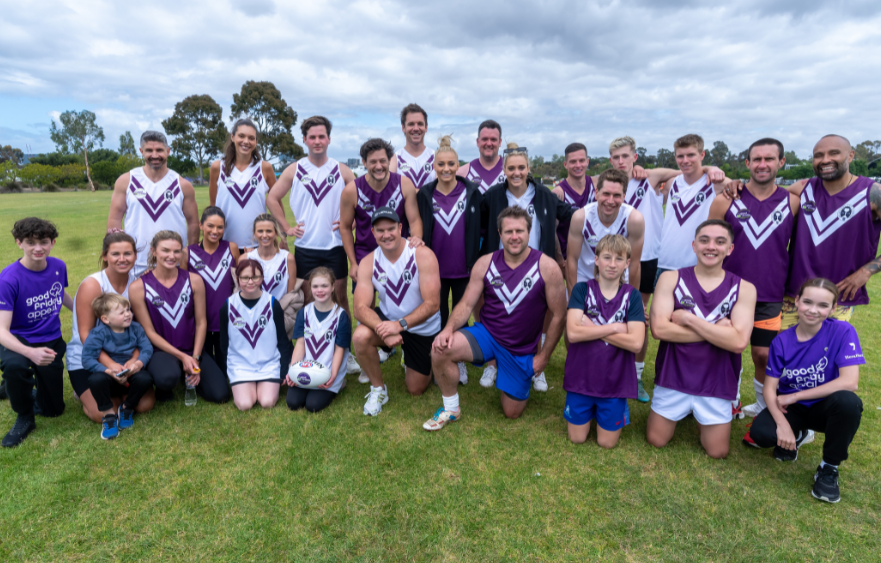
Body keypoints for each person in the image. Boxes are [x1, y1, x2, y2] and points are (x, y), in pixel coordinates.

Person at [427, 207, 567, 430]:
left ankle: (508, 372)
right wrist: (448, 329)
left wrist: (544, 356)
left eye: (519, 231)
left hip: (520, 348)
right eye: (508, 231)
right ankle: (451, 408)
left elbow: (559, 315)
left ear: (529, 232)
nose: (514, 237)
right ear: (499, 234)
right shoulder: (486, 263)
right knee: (440, 349)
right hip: (487, 335)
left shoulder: (547, 267)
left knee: (511, 413)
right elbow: (465, 304)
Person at [608, 136, 726, 402]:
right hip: (623, 260)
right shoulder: (609, 183)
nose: (621, 161)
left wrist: (710, 169)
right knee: (628, 319)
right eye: (615, 157)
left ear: (635, 156)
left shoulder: (651, 178)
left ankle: (642, 377)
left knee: (654, 320)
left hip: (652, 260)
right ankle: (618, 373)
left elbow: (685, 171)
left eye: (625, 156)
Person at [747, 278, 864, 504]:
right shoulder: (781, 341)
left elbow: (850, 382)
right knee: (761, 433)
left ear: (832, 308)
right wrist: (783, 425)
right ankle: (797, 434)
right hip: (793, 409)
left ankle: (829, 468)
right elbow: (770, 390)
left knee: (848, 403)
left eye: (822, 305)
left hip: (825, 406)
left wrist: (795, 394)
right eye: (808, 302)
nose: (813, 310)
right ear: (797, 302)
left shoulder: (843, 331)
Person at [647, 220, 756, 459]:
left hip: (716, 380)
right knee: (656, 440)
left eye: (720, 241)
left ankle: (701, 415)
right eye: (704, 240)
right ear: (694, 245)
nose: (711, 247)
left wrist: (688, 319)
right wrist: (719, 330)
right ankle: (689, 413)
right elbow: (659, 330)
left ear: (730, 249)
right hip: (674, 375)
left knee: (717, 452)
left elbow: (738, 342)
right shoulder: (670, 278)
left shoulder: (744, 288)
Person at [709, 138, 799, 423]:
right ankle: (728, 401)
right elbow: (709, 245)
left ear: (781, 162)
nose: (762, 164)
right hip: (728, 291)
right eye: (756, 159)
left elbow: (797, 249)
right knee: (724, 349)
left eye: (769, 159)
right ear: (747, 163)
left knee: (763, 355)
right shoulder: (725, 199)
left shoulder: (792, 202)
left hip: (770, 293)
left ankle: (763, 406)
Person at [265, 116, 359, 375]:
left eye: (322, 136)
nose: (317, 141)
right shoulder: (294, 169)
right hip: (306, 247)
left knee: (340, 300)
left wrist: (350, 222)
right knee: (309, 303)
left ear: (329, 139)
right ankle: (309, 352)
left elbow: (360, 199)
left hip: (335, 246)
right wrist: (286, 227)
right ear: (304, 140)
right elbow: (273, 198)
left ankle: (346, 353)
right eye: (312, 137)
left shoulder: (342, 170)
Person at [479, 143, 574, 392]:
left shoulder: (544, 195)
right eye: (511, 168)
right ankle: (492, 364)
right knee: (493, 312)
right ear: (504, 169)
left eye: (521, 167)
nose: (517, 172)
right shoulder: (492, 196)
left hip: (537, 266)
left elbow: (573, 216)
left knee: (540, 316)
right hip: (501, 265)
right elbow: (477, 221)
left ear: (528, 168)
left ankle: (537, 367)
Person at [780, 134, 881, 327]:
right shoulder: (803, 188)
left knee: (823, 356)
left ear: (850, 156)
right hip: (793, 296)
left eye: (833, 153)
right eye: (818, 155)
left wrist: (866, 272)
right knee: (784, 354)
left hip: (838, 298)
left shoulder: (873, 193)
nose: (825, 160)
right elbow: (762, 201)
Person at [352, 207, 440, 416]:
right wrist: (386, 329)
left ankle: (412, 357)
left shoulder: (422, 254)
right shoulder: (368, 262)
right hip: (389, 320)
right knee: (361, 336)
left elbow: (433, 304)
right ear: (372, 233)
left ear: (401, 228)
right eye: (380, 230)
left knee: (416, 389)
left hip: (422, 327)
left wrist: (399, 326)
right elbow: (360, 308)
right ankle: (378, 389)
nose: (386, 235)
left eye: (391, 228)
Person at [129, 231, 230, 404]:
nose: (171, 256)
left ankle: (188, 373)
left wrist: (195, 358)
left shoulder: (194, 280)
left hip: (192, 350)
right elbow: (149, 332)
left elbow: (201, 323)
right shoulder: (138, 287)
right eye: (165, 250)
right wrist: (182, 357)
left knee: (220, 395)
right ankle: (175, 373)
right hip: (161, 351)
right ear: (154, 251)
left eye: (176, 251)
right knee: (166, 379)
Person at [563, 235, 645, 448]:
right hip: (581, 379)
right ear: (596, 260)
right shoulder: (582, 290)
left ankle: (605, 411)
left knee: (606, 443)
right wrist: (616, 327)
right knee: (577, 438)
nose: (612, 264)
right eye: (606, 257)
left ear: (627, 263)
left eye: (619, 259)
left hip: (615, 382)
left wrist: (591, 327)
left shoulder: (632, 296)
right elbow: (572, 333)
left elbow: (636, 343)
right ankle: (588, 411)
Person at [416, 135, 483, 385]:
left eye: (451, 164)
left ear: (458, 165)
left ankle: (459, 360)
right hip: (435, 271)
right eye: (441, 164)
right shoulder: (424, 194)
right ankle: (437, 359)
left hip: (465, 269)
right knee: (438, 315)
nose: (446, 169)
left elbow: (482, 228)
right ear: (434, 166)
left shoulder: (471, 192)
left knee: (461, 318)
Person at [0, 218, 72, 447]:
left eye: (43, 242)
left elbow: (62, 295)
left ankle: (11, 387)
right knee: (16, 366)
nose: (38, 248)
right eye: (30, 242)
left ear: (52, 242)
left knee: (53, 410)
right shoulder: (9, 278)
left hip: (51, 339)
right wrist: (29, 353)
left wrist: (86, 311)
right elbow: (1, 330)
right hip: (18, 339)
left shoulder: (58, 266)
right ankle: (24, 416)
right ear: (19, 243)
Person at [67, 232, 152, 423]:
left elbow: (139, 333)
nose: (122, 259)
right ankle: (87, 392)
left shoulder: (137, 284)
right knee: (101, 413)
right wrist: (111, 366)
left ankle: (117, 394)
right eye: (115, 254)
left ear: (135, 256)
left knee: (144, 405)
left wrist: (133, 361)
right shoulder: (93, 285)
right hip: (90, 358)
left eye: (127, 254)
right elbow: (85, 335)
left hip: (124, 357)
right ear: (105, 256)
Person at [107, 131, 199, 276]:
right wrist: (118, 254)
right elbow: (115, 219)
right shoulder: (126, 181)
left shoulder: (182, 184)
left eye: (159, 150)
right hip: (134, 263)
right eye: (149, 150)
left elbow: (193, 223)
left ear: (168, 151)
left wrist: (188, 257)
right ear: (141, 151)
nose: (155, 155)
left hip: (173, 262)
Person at [340, 138, 424, 286]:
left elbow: (415, 220)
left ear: (389, 161)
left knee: (401, 305)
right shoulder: (351, 190)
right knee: (365, 305)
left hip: (399, 255)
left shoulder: (404, 184)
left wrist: (416, 237)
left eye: (383, 161)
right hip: (365, 256)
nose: (378, 166)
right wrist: (353, 263)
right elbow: (345, 227)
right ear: (364, 162)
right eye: (373, 162)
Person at [219, 259, 292, 411]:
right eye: (245, 278)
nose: (250, 281)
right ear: (238, 278)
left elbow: (282, 340)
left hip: (269, 363)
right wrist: (229, 369)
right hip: (241, 364)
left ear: (262, 278)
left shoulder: (272, 303)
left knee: (267, 402)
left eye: (255, 277)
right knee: (245, 404)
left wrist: (284, 369)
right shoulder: (228, 305)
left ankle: (262, 384)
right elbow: (224, 343)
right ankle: (247, 384)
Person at [80, 294, 154, 439]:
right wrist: (108, 371)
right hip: (110, 377)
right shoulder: (98, 333)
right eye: (121, 312)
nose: (128, 314)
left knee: (145, 378)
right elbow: (87, 359)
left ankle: (127, 408)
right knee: (95, 380)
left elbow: (147, 348)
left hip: (130, 374)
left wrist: (137, 363)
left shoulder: (136, 328)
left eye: (128, 310)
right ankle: (108, 416)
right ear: (105, 319)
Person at [566, 168, 645, 290]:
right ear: (596, 193)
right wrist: (573, 298)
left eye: (617, 195)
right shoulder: (581, 217)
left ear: (624, 197)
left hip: (619, 281)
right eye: (606, 194)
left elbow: (634, 263)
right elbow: (572, 259)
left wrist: (632, 299)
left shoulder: (634, 220)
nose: (610, 201)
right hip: (586, 279)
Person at [286, 267, 352, 413]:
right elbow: (300, 344)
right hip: (307, 369)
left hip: (327, 370)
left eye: (324, 286)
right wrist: (293, 370)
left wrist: (333, 375)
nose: (320, 290)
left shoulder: (341, 316)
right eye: (315, 286)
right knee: (293, 402)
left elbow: (339, 350)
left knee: (313, 405)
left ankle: (340, 384)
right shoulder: (304, 312)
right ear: (310, 287)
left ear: (333, 287)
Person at [181, 207, 239, 365]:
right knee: (206, 370)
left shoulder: (231, 248)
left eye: (220, 227)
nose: (215, 231)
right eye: (210, 226)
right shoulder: (188, 253)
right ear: (201, 226)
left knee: (225, 369)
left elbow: (240, 281)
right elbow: (182, 287)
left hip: (226, 321)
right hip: (200, 322)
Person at [209, 117, 276, 250]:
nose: (246, 141)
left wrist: (281, 236)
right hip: (225, 245)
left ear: (256, 141)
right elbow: (213, 207)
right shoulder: (217, 167)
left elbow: (276, 204)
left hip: (259, 245)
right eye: (241, 136)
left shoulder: (265, 168)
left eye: (251, 138)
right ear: (233, 137)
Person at [552, 143, 595, 267]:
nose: (578, 165)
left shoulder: (597, 184)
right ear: (565, 165)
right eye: (573, 161)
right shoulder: (558, 193)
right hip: (571, 259)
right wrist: (560, 259)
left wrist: (637, 168)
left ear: (587, 162)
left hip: (596, 257)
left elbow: (622, 176)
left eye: (581, 160)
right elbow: (552, 230)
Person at [243, 214, 297, 301]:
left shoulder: (288, 258)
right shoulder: (245, 258)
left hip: (281, 312)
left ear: (276, 233)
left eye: (269, 231)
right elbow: (242, 293)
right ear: (254, 233)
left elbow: (290, 296)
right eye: (260, 231)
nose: (264, 235)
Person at [390, 104, 437, 188]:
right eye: (411, 124)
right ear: (403, 128)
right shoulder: (395, 158)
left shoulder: (436, 157)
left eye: (420, 124)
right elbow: (389, 189)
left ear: (426, 128)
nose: (416, 128)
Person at [457, 120, 506, 193]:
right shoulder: (462, 173)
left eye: (493, 139)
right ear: (478, 141)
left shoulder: (511, 170)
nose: (489, 143)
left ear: (500, 142)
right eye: (485, 139)